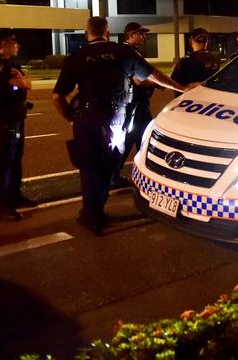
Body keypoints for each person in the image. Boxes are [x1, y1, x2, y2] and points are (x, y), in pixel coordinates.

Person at [52, 16, 194, 235]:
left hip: (86, 120)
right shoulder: (123, 53)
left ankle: (92, 214)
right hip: (115, 119)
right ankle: (96, 212)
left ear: (87, 33)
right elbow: (154, 75)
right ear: (107, 32)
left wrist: (71, 118)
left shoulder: (77, 57)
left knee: (90, 168)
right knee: (107, 165)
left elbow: (56, 96)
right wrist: (182, 88)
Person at [0, 34, 37, 221]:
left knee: (15, 159)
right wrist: (19, 83)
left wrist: (21, 83)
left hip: (16, 117)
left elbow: (27, 83)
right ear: (4, 45)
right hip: (4, 118)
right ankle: (2, 206)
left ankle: (15, 196)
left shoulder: (10, 64)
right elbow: (17, 84)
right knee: (3, 162)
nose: (18, 46)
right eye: (14, 43)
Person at [111, 22, 156, 188]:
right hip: (135, 106)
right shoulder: (129, 52)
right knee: (138, 140)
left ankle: (127, 174)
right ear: (131, 34)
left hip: (133, 105)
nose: (143, 37)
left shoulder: (126, 51)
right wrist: (156, 83)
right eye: (140, 34)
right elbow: (138, 80)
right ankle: (118, 175)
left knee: (138, 140)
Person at [170, 27, 219, 92]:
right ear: (207, 41)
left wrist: (176, 69)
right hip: (210, 97)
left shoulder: (186, 61)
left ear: (191, 41)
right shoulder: (215, 59)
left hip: (191, 99)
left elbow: (173, 82)